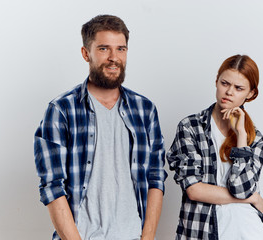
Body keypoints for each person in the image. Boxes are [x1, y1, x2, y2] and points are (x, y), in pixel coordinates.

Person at [34, 15, 167, 240]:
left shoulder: (145, 110)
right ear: (86, 53)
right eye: (104, 48)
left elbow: (155, 178)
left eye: (121, 49)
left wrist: (148, 237)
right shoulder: (62, 110)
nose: (114, 58)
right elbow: (52, 186)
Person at [166, 55, 263, 240]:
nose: (229, 92)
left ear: (251, 93)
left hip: (247, 231)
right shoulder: (191, 127)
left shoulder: (254, 139)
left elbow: (241, 188)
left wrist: (241, 136)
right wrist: (253, 198)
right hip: (202, 232)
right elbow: (194, 190)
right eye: (225, 83)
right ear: (216, 81)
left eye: (239, 88)